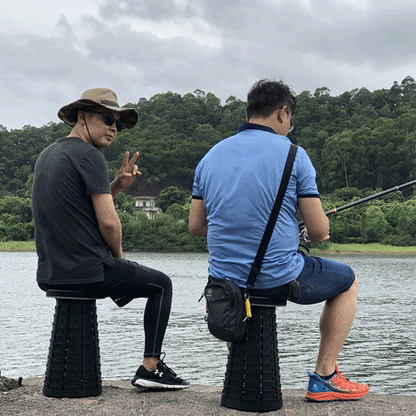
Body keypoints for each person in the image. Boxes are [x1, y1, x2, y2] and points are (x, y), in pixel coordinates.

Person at [189, 79, 369, 402]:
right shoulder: (295, 155)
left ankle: (243, 372)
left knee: (239, 288)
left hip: (222, 284)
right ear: (282, 113)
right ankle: (325, 375)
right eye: (290, 120)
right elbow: (319, 231)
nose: (289, 127)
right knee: (348, 281)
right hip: (277, 277)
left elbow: (196, 226)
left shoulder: (210, 157)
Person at [32, 88, 189, 390]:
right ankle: (150, 368)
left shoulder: (48, 155)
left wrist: (115, 185)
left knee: (131, 276)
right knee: (161, 285)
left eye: (118, 124)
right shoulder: (89, 155)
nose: (114, 128)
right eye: (107, 119)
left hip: (51, 273)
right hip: (87, 271)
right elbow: (108, 222)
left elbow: (80, 210)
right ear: (82, 116)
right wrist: (118, 258)